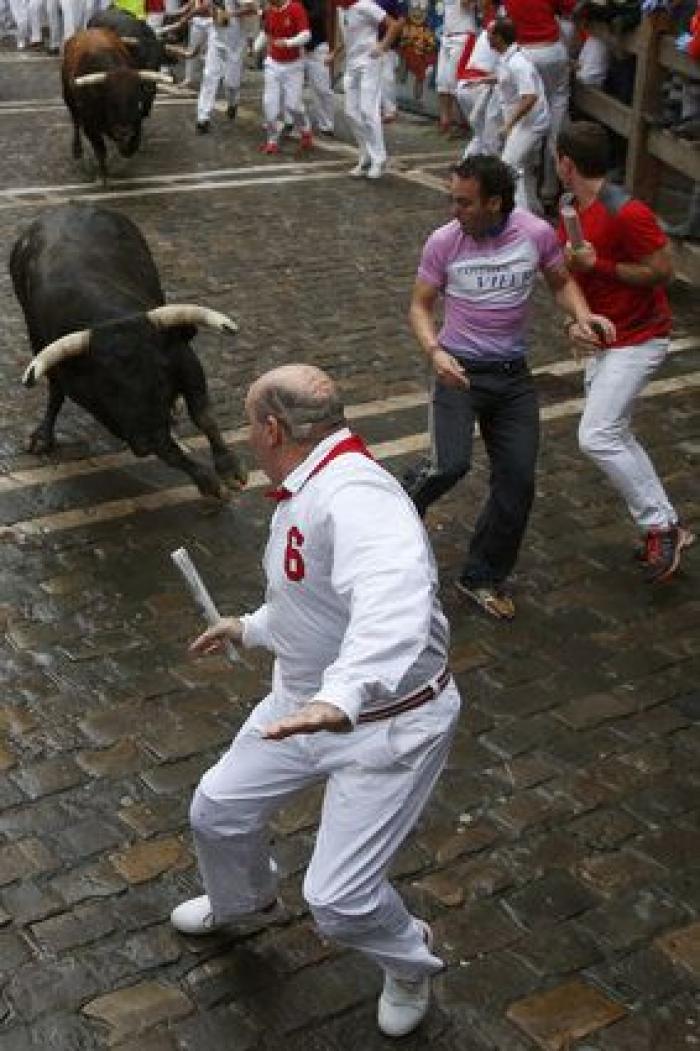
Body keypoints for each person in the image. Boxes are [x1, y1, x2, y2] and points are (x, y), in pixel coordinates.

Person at [170, 364, 461, 1039]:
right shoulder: (308, 488)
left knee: (339, 899)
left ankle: (408, 954)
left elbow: (393, 596)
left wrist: (344, 694)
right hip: (303, 704)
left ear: (273, 429)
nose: (247, 437)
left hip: (389, 726)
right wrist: (249, 626)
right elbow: (310, 601)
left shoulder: (358, 495)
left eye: (248, 425)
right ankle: (245, 898)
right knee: (217, 810)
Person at [403, 154, 614, 619]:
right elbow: (420, 306)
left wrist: (582, 317)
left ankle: (482, 576)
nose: (454, 210)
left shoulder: (534, 233)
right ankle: (397, 506)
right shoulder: (444, 242)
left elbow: (560, 283)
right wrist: (436, 353)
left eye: (464, 203)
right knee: (449, 466)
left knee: (517, 482)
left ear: (495, 202)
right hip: (458, 371)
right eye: (452, 200)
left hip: (513, 378)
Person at [555, 121, 695, 581]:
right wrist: (576, 321)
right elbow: (569, 278)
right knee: (616, 431)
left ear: (567, 164)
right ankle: (667, 523)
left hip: (640, 338)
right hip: (605, 340)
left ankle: (660, 527)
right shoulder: (571, 208)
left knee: (597, 434)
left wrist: (604, 265)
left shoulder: (627, 212)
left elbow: (662, 272)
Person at [504, 0, 573, 205]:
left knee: (530, 122)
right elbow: (569, 9)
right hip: (552, 50)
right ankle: (553, 187)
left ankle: (531, 192)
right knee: (556, 124)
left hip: (526, 53)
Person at [488, 17, 550, 214]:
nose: (487, 37)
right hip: (524, 121)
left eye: (490, 34)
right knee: (524, 167)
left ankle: (521, 214)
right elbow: (507, 80)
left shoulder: (517, 63)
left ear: (498, 37)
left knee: (509, 165)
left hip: (530, 123)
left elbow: (530, 97)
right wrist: (484, 80)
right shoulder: (508, 57)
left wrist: (509, 124)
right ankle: (533, 209)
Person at [333, 0, 402, 178]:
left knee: (368, 110)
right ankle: (365, 155)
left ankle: (379, 159)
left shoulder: (365, 5)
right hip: (351, 65)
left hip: (370, 62)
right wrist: (336, 53)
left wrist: (383, 46)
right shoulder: (341, 9)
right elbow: (346, 37)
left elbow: (394, 25)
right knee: (350, 112)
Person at [257, 0, 313, 153]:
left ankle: (305, 129)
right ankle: (272, 141)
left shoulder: (296, 8)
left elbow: (306, 34)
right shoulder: (270, 10)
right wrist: (256, 46)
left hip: (294, 65)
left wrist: (288, 43)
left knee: (293, 106)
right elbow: (266, 32)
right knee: (269, 105)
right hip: (273, 63)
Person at [195, 0, 257, 133]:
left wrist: (230, 14)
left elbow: (252, 8)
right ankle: (203, 118)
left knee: (231, 83)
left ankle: (233, 103)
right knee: (209, 77)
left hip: (235, 42)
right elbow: (206, 6)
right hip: (216, 37)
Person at [435, 0, 478, 133]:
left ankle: (463, 122)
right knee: (442, 81)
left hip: (463, 35)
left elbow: (467, 4)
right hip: (446, 36)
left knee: (456, 80)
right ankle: (445, 121)